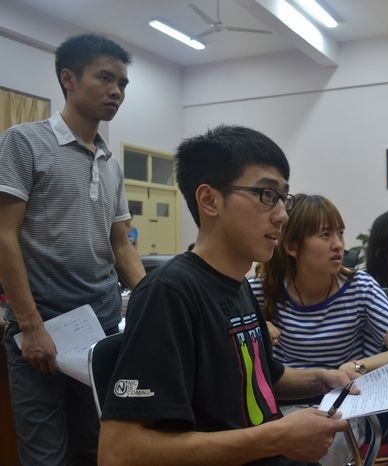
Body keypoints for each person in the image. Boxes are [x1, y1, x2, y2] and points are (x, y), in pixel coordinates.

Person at [99, 126, 352, 466]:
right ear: (210, 200)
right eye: (267, 194)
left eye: (283, 198)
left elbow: (265, 377)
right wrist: (275, 438)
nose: (282, 215)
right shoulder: (169, 293)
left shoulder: (238, 284)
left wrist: (323, 378)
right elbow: (118, 451)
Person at [0, 33, 146, 465]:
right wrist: (30, 326)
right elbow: (4, 235)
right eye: (105, 78)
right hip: (41, 326)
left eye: (122, 83)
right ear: (68, 79)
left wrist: (155, 301)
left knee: (97, 448)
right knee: (45, 456)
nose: (116, 91)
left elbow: (120, 244)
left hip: (100, 327)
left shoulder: (110, 161)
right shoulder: (24, 142)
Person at [249, 195, 388, 464]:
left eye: (340, 233)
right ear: (292, 247)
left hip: (341, 403)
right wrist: (254, 327)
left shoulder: (359, 287)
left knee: (320, 447)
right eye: (325, 235)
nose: (338, 244)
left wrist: (356, 366)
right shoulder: (262, 288)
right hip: (281, 402)